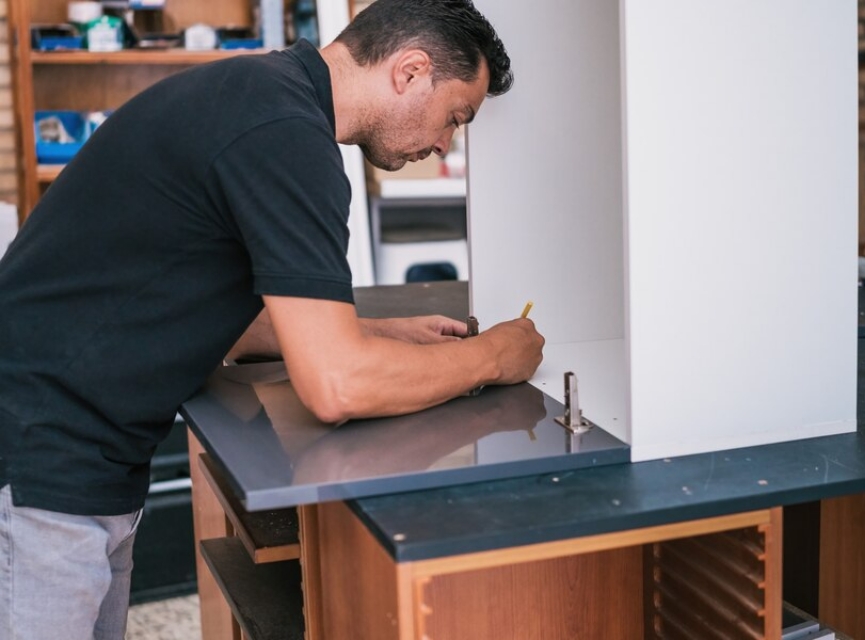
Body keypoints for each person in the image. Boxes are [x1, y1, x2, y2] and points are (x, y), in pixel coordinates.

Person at [0, 0, 544, 637]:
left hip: (80, 459)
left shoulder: (259, 94)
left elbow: (190, 306)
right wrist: (495, 357)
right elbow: (336, 386)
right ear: (411, 70)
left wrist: (372, 331)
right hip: (38, 463)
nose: (444, 143)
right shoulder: (286, 133)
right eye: (455, 116)